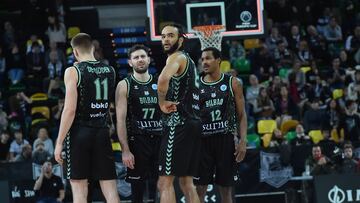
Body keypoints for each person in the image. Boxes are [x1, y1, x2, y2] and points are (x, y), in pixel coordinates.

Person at [54, 33, 120, 203]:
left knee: (80, 191)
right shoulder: (110, 70)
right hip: (102, 132)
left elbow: (69, 110)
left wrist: (59, 142)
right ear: (93, 48)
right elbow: (110, 106)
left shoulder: (73, 71)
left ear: (75, 52)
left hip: (79, 133)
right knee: (110, 190)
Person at [195, 47, 247, 203]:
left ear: (218, 60)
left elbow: (241, 115)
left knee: (226, 190)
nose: (204, 62)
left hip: (225, 140)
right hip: (202, 141)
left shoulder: (233, 83)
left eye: (208, 58)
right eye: (203, 59)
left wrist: (243, 140)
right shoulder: (195, 84)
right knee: (200, 189)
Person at [157, 24, 201, 203]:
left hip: (178, 123)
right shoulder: (189, 60)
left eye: (170, 36)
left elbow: (162, 80)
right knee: (186, 182)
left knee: (164, 182)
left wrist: (161, 103)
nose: (166, 39)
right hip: (193, 123)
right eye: (163, 36)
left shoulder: (176, 57)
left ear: (180, 40)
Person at [115, 44, 162, 203]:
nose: (140, 60)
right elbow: (120, 120)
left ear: (149, 59)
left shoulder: (160, 83)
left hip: (159, 139)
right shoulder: (124, 85)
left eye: (143, 56)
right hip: (137, 141)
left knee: (161, 186)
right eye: (136, 57)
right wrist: (125, 150)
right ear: (130, 62)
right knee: (137, 189)